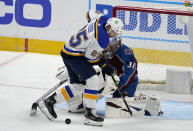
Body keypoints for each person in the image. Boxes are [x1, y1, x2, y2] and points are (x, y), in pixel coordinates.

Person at [39, 12, 124, 126]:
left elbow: (89, 14)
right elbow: (90, 59)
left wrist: (89, 36)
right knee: (93, 79)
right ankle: (90, 114)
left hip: (66, 50)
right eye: (113, 33)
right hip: (75, 56)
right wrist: (104, 65)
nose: (113, 35)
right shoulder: (102, 40)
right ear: (108, 27)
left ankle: (50, 101)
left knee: (79, 86)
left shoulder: (102, 18)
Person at [86, 10, 138, 98]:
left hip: (127, 82)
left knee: (119, 108)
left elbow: (129, 74)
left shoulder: (125, 52)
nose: (109, 47)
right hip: (111, 78)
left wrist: (116, 86)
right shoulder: (102, 46)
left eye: (112, 44)